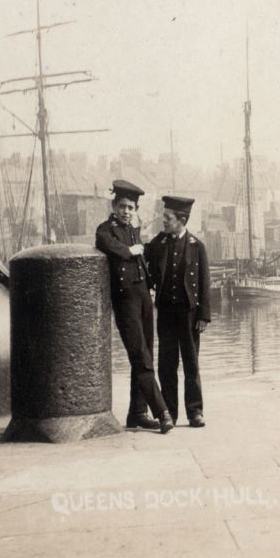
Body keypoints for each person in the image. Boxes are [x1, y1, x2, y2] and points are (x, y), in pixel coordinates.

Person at [94, 180, 173, 433]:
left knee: (146, 352)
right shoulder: (105, 230)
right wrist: (130, 250)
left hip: (143, 297)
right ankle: (162, 412)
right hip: (125, 299)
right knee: (140, 355)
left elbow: (143, 253)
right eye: (123, 206)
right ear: (114, 206)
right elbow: (109, 246)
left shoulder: (133, 230)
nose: (127, 211)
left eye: (131, 208)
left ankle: (137, 412)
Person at [146, 195, 211, 428]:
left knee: (191, 363)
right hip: (166, 314)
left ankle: (195, 412)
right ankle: (170, 413)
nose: (164, 221)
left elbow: (205, 283)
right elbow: (144, 255)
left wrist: (204, 315)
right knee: (167, 364)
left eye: (168, 218)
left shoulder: (197, 246)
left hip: (190, 315)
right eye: (164, 217)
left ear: (181, 220)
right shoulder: (159, 244)